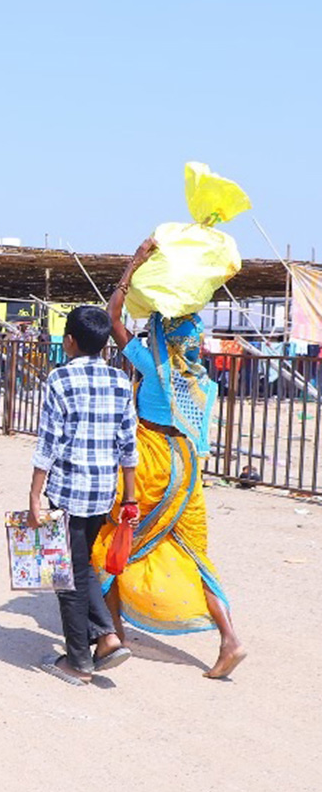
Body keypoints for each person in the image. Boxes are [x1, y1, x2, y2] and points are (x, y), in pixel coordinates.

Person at [94, 238, 247, 679]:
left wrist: (133, 266)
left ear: (160, 339)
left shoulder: (152, 367)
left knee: (116, 538)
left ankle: (113, 633)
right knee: (195, 553)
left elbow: (113, 318)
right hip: (188, 466)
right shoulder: (199, 379)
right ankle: (230, 638)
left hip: (153, 459)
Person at [28, 305, 137, 686]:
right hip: (104, 492)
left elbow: (49, 443)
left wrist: (34, 497)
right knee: (81, 564)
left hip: (68, 491)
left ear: (69, 340)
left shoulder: (60, 380)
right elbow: (128, 446)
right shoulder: (121, 382)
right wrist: (130, 498)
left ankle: (79, 662)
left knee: (66, 575)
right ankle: (106, 637)